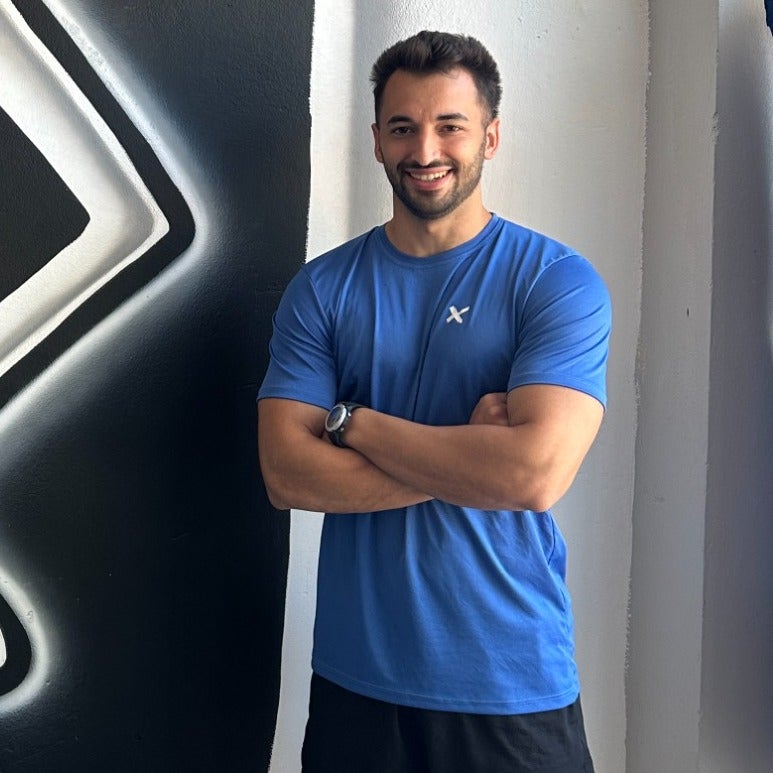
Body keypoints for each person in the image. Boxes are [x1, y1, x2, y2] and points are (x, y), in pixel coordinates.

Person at [258, 30, 610, 773]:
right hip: (356, 683)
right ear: (377, 142)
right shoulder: (322, 290)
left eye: (450, 125)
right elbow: (286, 474)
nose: (425, 150)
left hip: (508, 683)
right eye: (402, 127)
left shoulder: (553, 281)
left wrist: (353, 423)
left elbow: (531, 475)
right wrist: (469, 456)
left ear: (490, 136)